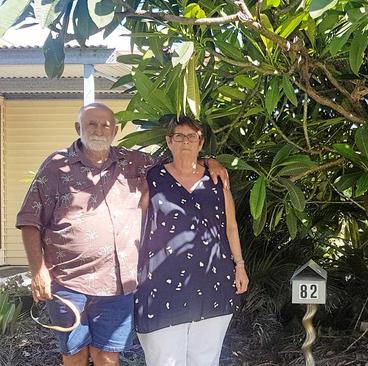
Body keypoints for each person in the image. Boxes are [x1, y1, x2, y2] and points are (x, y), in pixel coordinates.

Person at [16, 103, 229, 366]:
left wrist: (209, 162)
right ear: (77, 128)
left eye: (106, 125)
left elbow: (180, 160)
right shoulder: (56, 167)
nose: (99, 129)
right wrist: (38, 271)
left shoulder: (133, 162)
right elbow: (29, 220)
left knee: (107, 357)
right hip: (69, 281)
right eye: (92, 123)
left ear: (115, 130)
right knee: (75, 356)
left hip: (117, 282)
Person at [135, 115, 249, 366]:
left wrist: (239, 265)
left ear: (200, 142)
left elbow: (230, 227)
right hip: (160, 282)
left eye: (192, 136)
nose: (185, 142)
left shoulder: (217, 181)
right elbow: (137, 225)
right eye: (179, 136)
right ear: (169, 141)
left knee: (205, 358)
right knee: (163, 358)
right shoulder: (151, 178)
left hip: (213, 281)